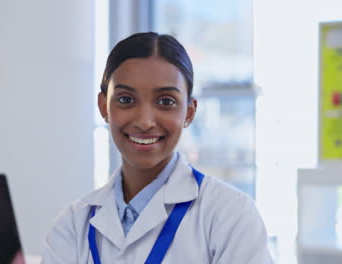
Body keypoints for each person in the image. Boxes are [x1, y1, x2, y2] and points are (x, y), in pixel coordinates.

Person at [42, 32, 274, 264]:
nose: (144, 121)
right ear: (104, 106)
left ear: (189, 112)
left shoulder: (229, 214)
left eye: (166, 102)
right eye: (125, 99)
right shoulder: (74, 225)